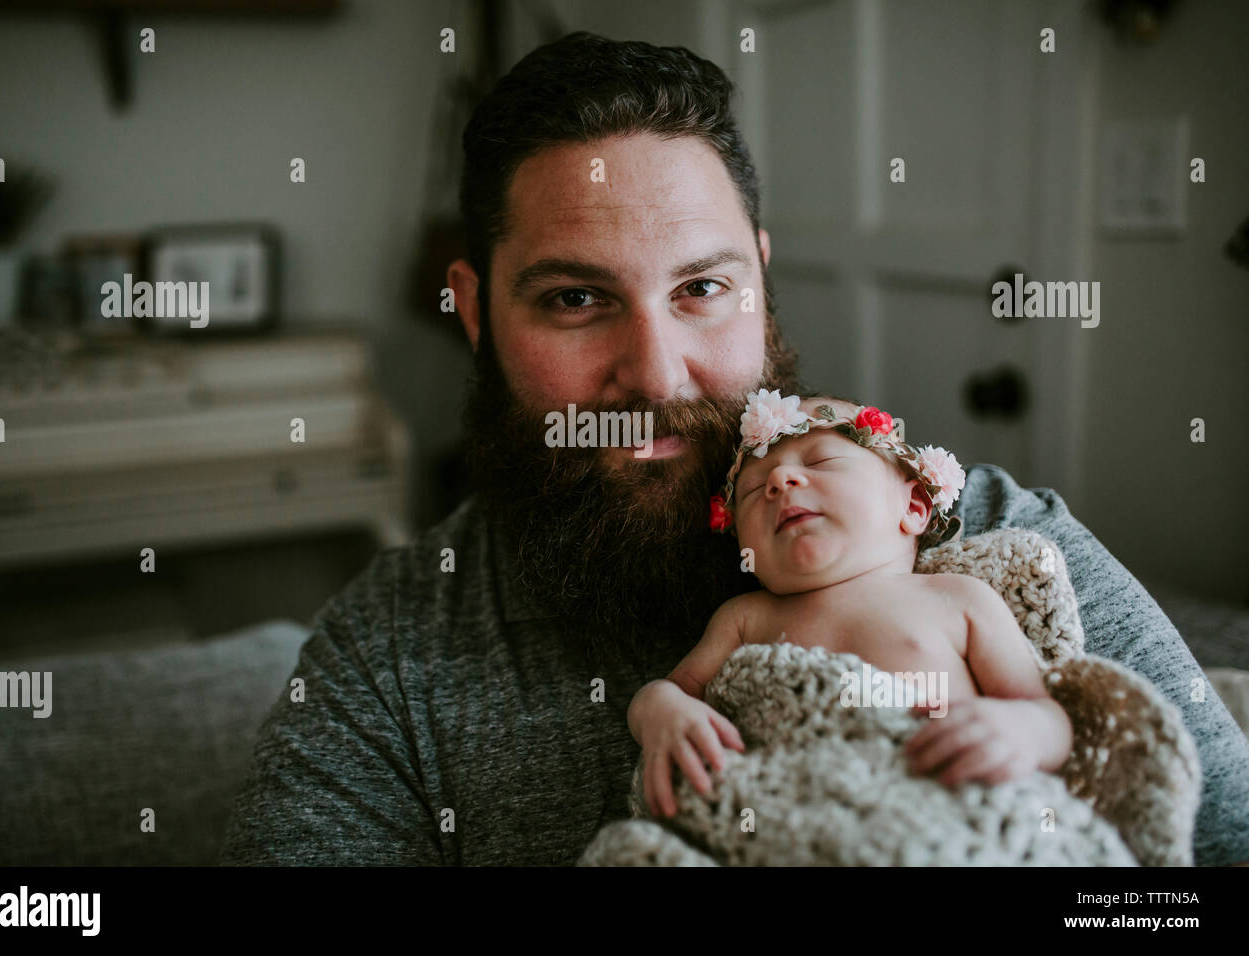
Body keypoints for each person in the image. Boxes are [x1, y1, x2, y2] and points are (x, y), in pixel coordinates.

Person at [220, 32, 1249, 866]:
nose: (659, 375)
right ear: (474, 310)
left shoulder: (993, 536)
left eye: (702, 288)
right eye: (576, 299)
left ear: (759, 274)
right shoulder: (389, 659)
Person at [628, 391, 1074, 819]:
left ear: (914, 505)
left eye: (821, 461)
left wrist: (1020, 733)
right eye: (754, 489)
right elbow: (668, 690)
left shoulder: (957, 598)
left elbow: (1047, 715)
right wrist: (662, 712)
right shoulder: (744, 617)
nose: (781, 483)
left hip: (942, 811)